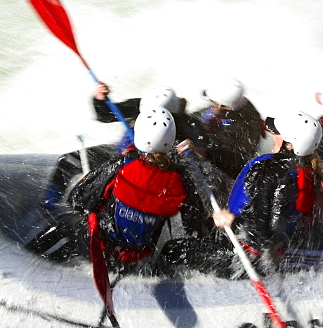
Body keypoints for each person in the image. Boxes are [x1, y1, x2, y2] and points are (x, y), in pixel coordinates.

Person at [29, 107, 217, 270]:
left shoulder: (123, 163)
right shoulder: (180, 180)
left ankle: (27, 257)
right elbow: (193, 224)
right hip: (135, 258)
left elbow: (79, 200)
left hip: (102, 249)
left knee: (65, 223)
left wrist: (88, 181)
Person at [42, 82, 207, 210]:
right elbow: (105, 114)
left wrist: (196, 148)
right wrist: (100, 99)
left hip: (146, 169)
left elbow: (204, 147)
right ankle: (49, 207)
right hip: (118, 154)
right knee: (67, 161)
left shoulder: (187, 124)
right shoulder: (141, 105)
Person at [212, 111, 323, 272]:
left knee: (173, 250)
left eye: (277, 133)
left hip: (243, 257)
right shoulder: (308, 171)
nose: (273, 136)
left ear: (290, 144)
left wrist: (231, 221)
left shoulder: (272, 173)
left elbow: (263, 238)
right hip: (276, 251)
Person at [190, 77, 265, 180]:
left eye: (214, 102)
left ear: (224, 106)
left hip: (230, 167)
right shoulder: (241, 103)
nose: (213, 104)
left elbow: (233, 161)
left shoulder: (238, 129)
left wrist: (205, 152)